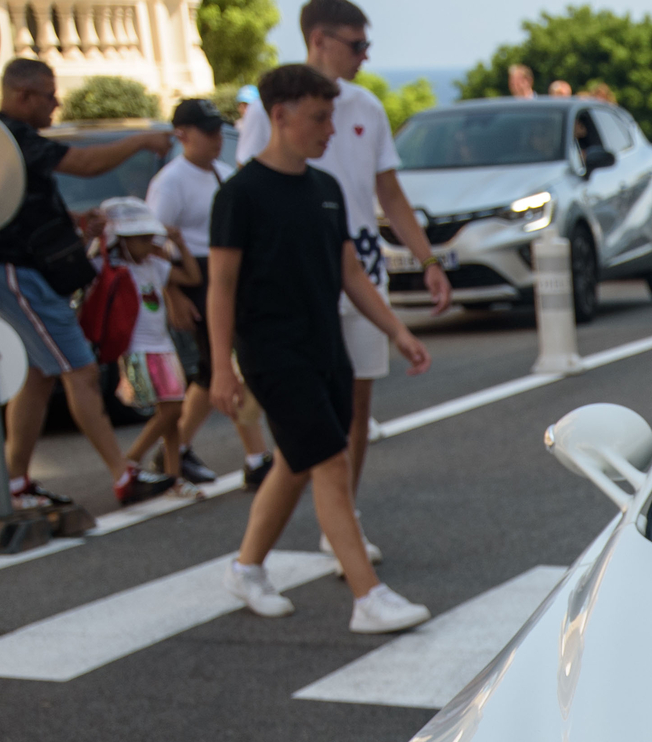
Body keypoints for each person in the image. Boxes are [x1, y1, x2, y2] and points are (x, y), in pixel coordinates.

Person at [210, 64, 430, 634]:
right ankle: (369, 597)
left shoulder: (325, 190)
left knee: (296, 459)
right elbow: (222, 286)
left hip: (325, 345)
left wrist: (397, 331)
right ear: (278, 117)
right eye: (318, 117)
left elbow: (351, 274)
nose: (330, 129)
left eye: (330, 116)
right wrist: (219, 368)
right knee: (329, 460)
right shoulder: (240, 196)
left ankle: (246, 567)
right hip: (272, 351)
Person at [236, 0, 452, 563]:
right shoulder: (272, 107)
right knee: (312, 415)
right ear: (319, 40)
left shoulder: (367, 107)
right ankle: (304, 544)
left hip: (357, 267)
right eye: (356, 46)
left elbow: (390, 194)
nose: (365, 57)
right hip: (296, 280)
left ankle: (341, 522)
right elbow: (249, 191)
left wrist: (428, 262)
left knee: (353, 404)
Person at [0, 59, 177, 509]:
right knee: (81, 371)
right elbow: (85, 164)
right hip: (19, 269)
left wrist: (72, 221)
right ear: (23, 96)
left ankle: (15, 480)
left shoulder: (5, 139)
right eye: (50, 95)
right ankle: (123, 473)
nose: (56, 103)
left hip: (18, 266)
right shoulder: (13, 136)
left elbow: (19, 204)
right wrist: (142, 140)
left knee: (39, 374)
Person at [146, 97, 272, 490]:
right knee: (227, 366)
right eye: (207, 131)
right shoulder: (170, 181)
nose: (217, 138)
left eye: (219, 130)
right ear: (182, 135)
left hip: (226, 270)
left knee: (206, 371)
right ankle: (256, 456)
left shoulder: (223, 174)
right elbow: (151, 242)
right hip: (192, 275)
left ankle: (177, 445)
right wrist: (171, 293)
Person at [98, 199, 196, 488]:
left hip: (164, 346)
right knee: (172, 409)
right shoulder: (112, 266)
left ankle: (173, 476)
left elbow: (192, 276)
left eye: (149, 237)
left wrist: (179, 243)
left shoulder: (155, 265)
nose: (148, 243)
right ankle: (132, 460)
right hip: (138, 348)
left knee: (171, 414)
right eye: (140, 239)